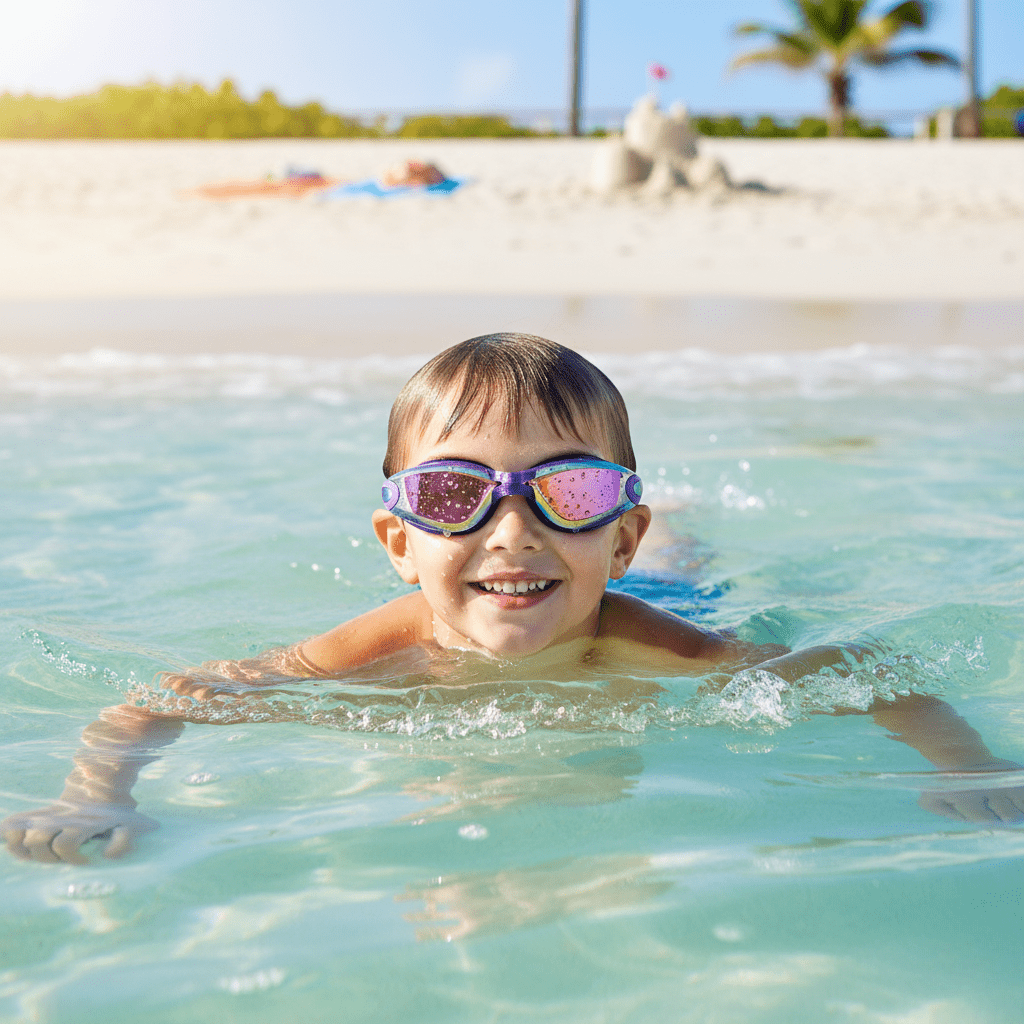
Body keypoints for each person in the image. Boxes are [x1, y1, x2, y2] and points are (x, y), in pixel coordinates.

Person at [3, 334, 1021, 864]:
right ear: (398, 543)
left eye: (567, 490)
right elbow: (168, 693)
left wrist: (968, 761)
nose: (512, 530)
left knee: (707, 576)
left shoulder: (655, 643)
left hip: (670, 591)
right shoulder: (375, 650)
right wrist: (96, 790)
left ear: (613, 538)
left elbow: (856, 673)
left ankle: (677, 531)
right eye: (456, 493)